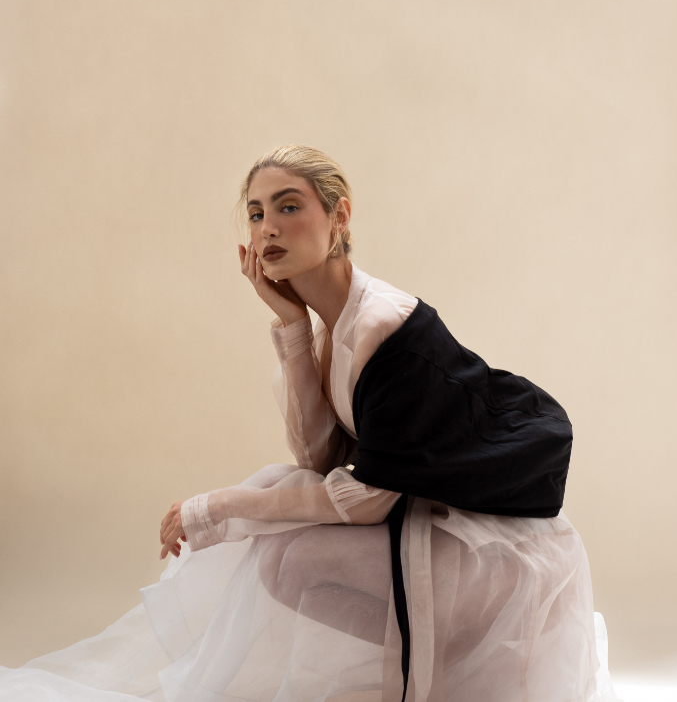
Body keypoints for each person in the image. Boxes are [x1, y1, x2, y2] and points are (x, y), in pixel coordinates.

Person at [0, 145, 619, 702]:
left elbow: (367, 500)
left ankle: (452, 672)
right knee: (281, 544)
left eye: (288, 206)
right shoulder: (328, 327)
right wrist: (294, 328)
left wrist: (217, 508)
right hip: (429, 515)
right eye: (255, 214)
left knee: (285, 548)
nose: (267, 227)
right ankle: (432, 675)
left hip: (494, 546)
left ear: (339, 217)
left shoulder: (382, 325)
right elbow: (318, 461)